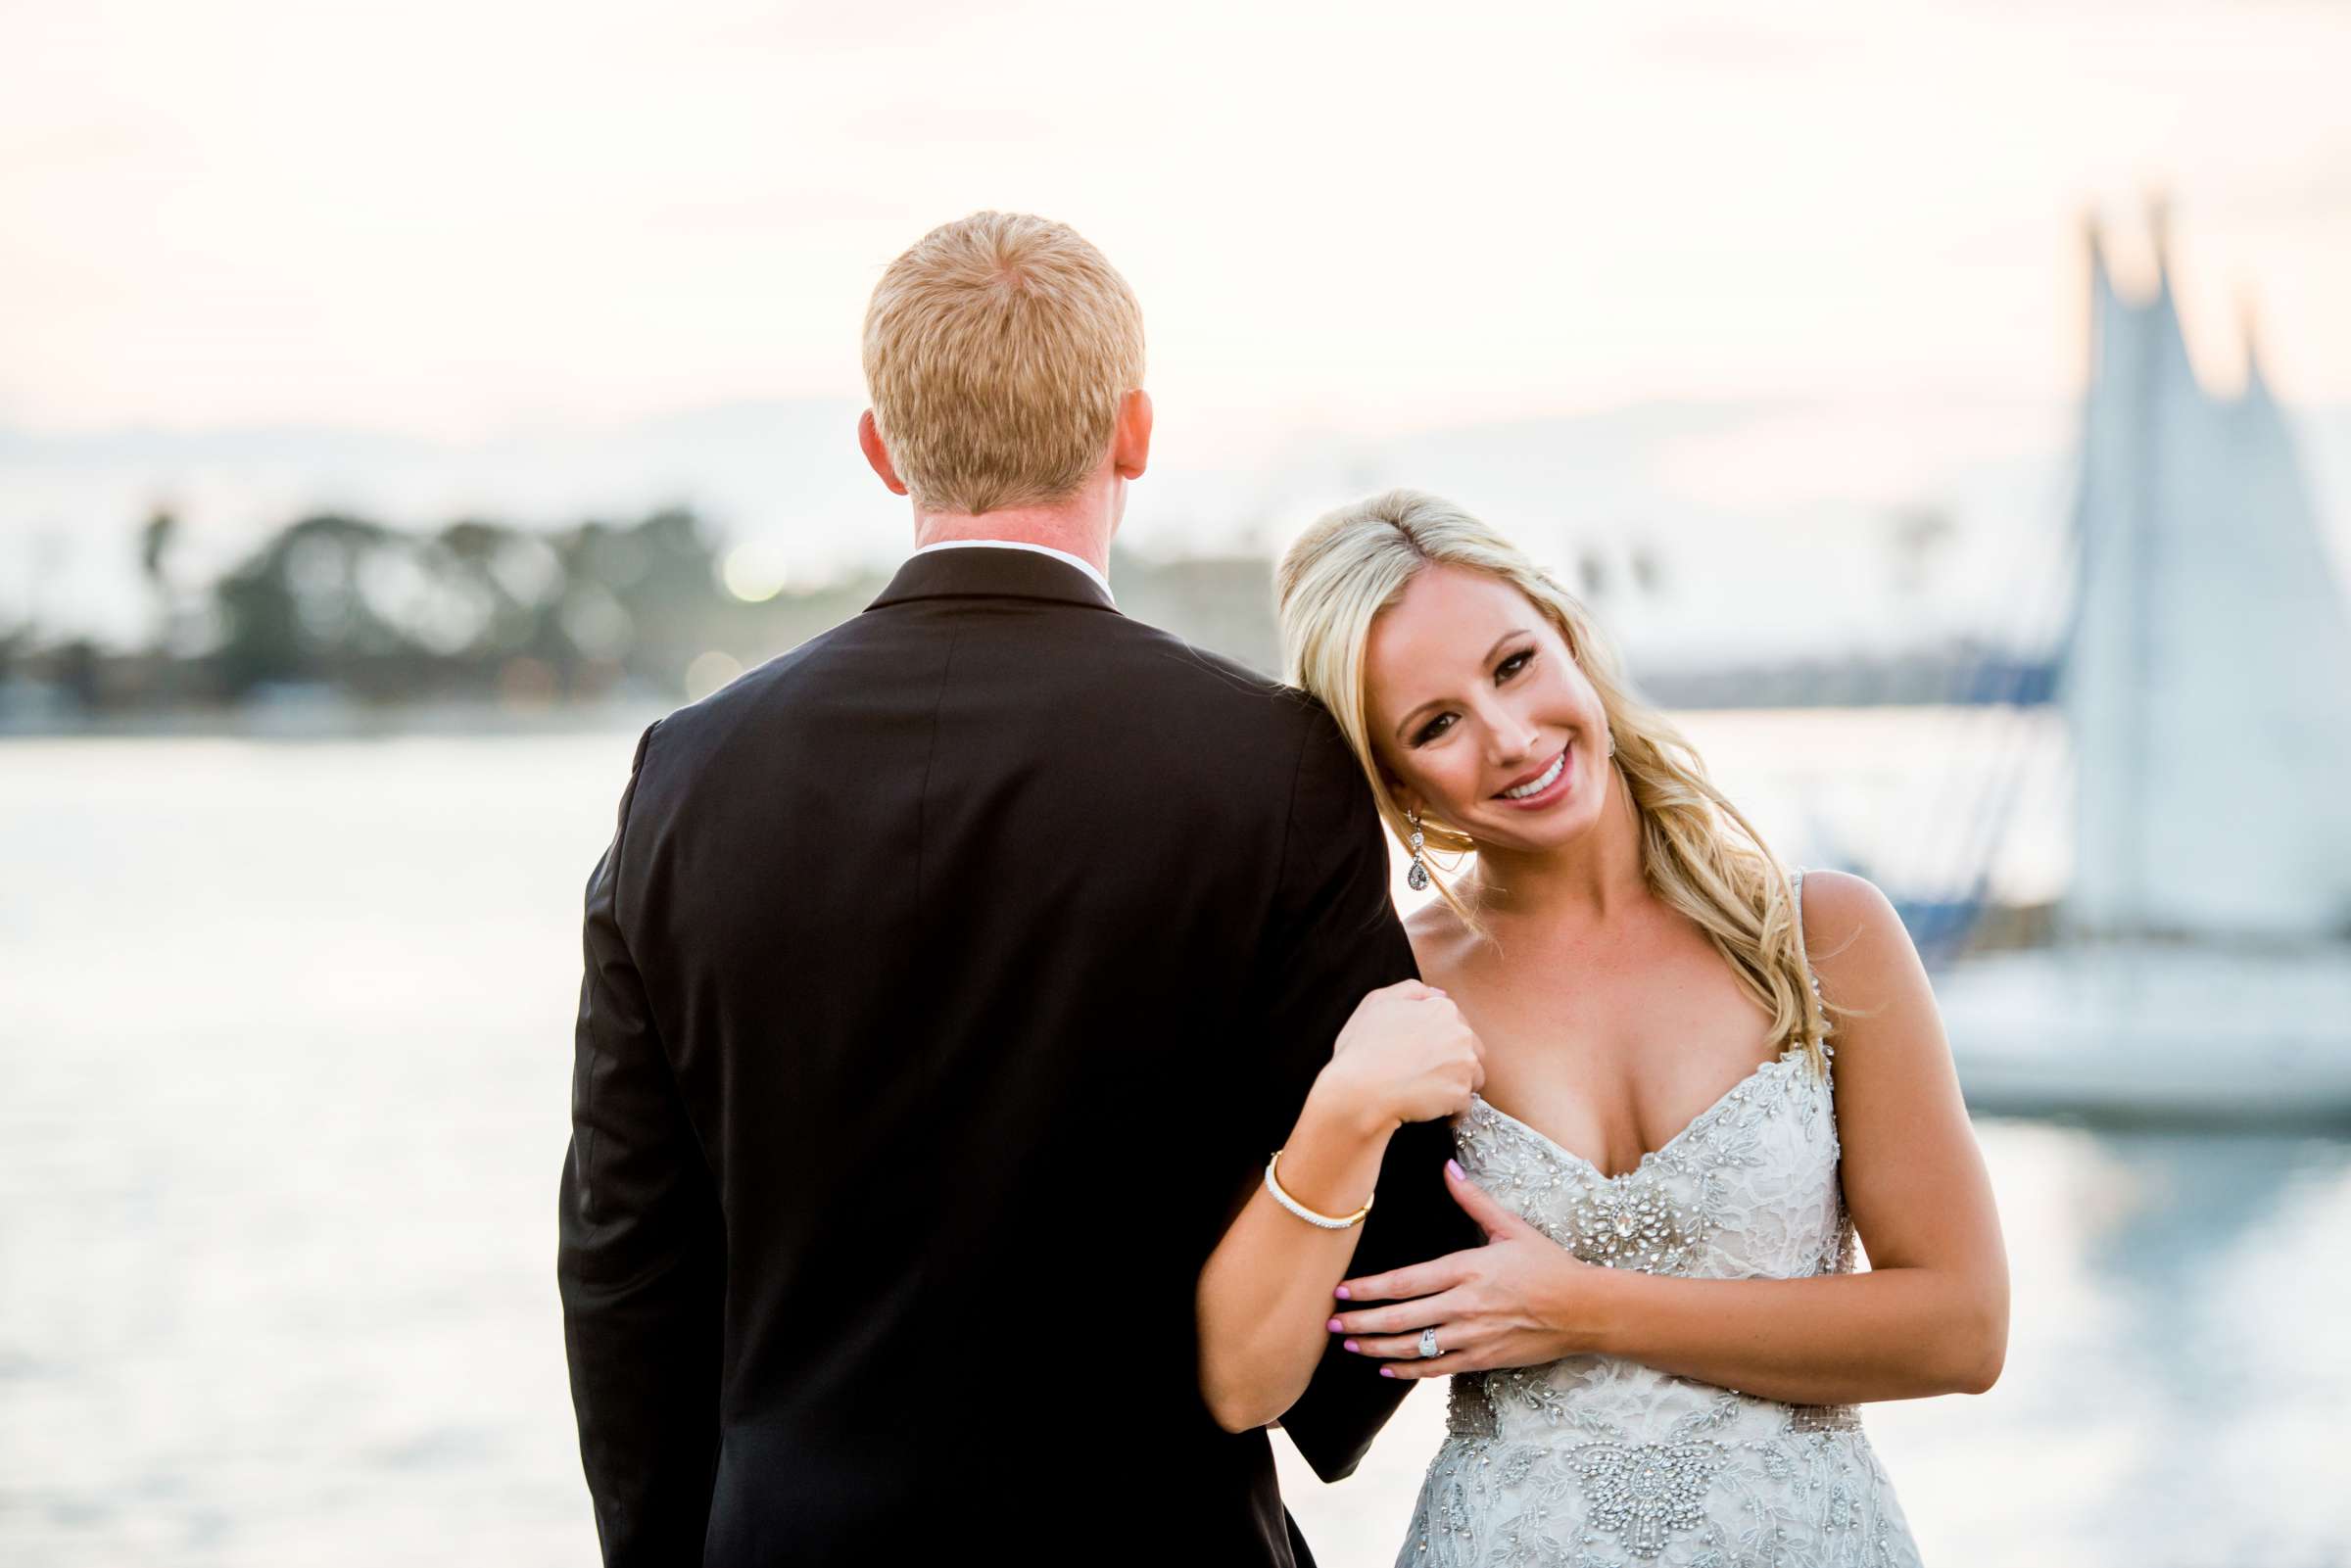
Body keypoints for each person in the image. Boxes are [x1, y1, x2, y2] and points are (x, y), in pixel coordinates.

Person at [554, 214, 1481, 1566]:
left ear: (883, 447)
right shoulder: (1268, 765)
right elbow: (1384, 1228)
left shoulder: (688, 776)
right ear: (1136, 432)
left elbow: (626, 1256)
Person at [1199, 489, 2009, 1566]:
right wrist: (1345, 1107)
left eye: (1514, 664)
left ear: (1570, 636)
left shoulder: (1819, 936)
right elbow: (1247, 1383)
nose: (1509, 737)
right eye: (1435, 725)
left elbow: (1962, 1327)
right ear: (1393, 778)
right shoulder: (1389, 991)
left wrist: (1583, 1307)